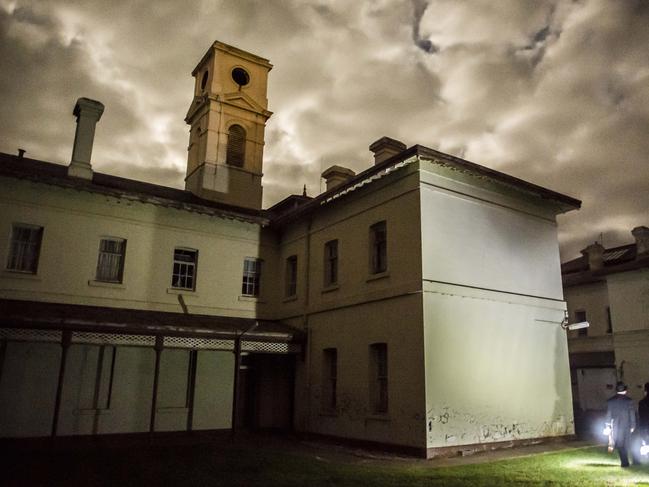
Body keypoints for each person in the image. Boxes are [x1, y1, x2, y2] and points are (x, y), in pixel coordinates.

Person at [605, 381, 636, 467]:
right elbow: (632, 414)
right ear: (625, 390)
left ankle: (624, 461)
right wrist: (633, 425)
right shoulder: (629, 401)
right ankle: (627, 461)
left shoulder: (611, 401)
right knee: (626, 444)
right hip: (626, 425)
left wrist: (607, 425)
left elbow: (608, 414)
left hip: (616, 426)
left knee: (619, 444)